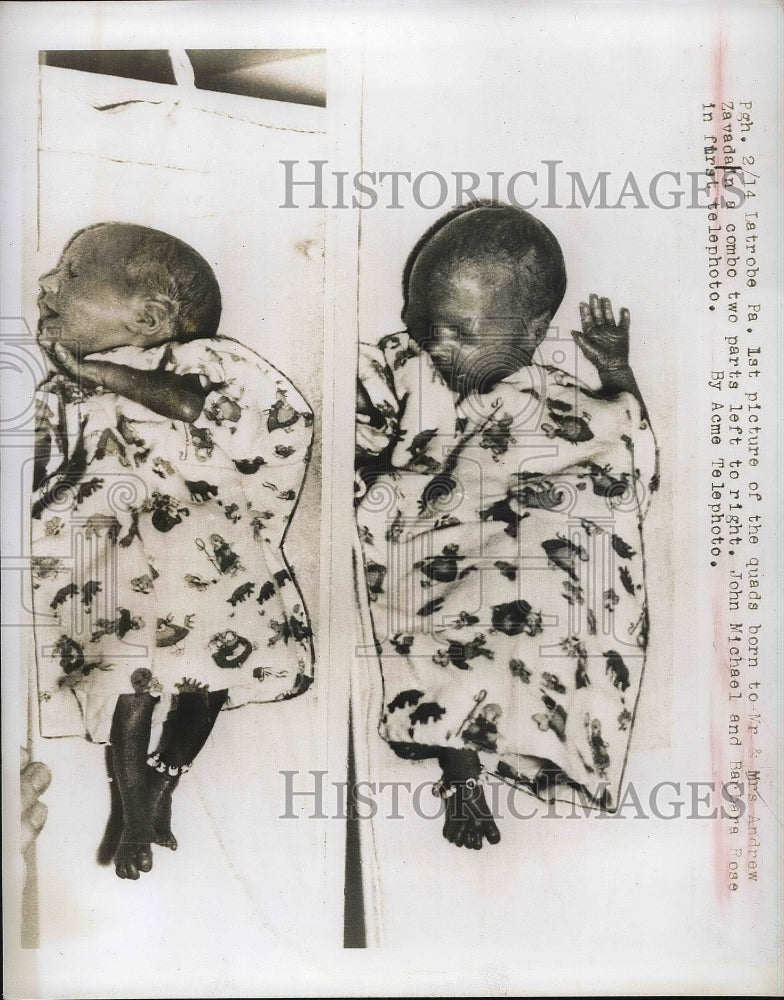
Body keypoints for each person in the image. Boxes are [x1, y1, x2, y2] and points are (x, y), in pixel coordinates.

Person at [355, 202, 658, 850]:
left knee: (547, 616)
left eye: (460, 332)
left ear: (530, 331)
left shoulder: (555, 399)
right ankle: (460, 779)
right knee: (445, 643)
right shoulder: (412, 371)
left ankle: (530, 744)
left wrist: (616, 371)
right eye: (424, 324)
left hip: (528, 556)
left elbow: (627, 450)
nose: (438, 345)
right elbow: (362, 418)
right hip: (439, 551)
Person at [32, 223, 314, 879]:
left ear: (152, 316)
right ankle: (132, 816)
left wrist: (99, 372)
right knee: (129, 696)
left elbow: (192, 408)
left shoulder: (200, 362)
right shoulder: (66, 393)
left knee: (205, 684)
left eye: (70, 274)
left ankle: (167, 779)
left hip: (209, 565)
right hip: (122, 576)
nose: (46, 283)